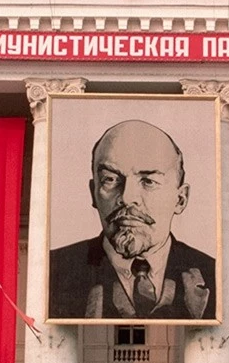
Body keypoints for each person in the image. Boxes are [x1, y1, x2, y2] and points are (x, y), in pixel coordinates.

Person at [49, 120, 216, 321]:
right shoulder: (54, 271)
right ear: (93, 193)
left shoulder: (213, 275)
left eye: (148, 181)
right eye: (110, 179)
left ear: (180, 199)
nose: (127, 197)